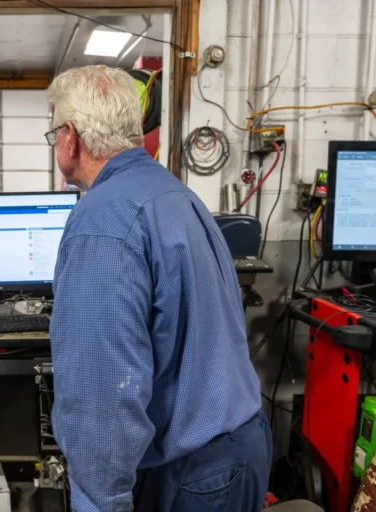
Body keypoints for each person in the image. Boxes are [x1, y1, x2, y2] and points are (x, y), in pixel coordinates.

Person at [47, 65, 271, 512]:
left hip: (193, 476)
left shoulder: (102, 222)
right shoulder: (174, 193)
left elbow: (103, 398)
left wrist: (102, 504)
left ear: (70, 136)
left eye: (53, 132)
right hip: (244, 445)